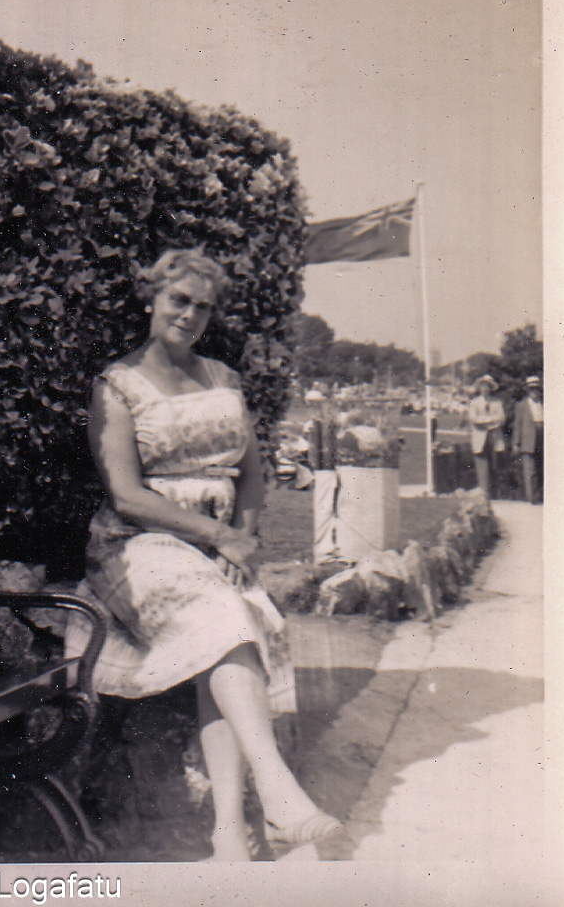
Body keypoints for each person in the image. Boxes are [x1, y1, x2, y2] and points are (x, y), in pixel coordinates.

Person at [66, 247, 340, 861]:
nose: (189, 315)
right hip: (139, 546)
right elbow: (126, 495)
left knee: (228, 633)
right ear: (152, 299)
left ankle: (229, 837)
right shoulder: (117, 386)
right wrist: (219, 537)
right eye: (179, 300)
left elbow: (252, 476)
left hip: (217, 554)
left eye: (203, 307)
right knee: (228, 622)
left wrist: (241, 543)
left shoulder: (223, 380)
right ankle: (276, 791)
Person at [467, 374, 505, 496]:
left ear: (491, 388)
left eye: (487, 386)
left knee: (495, 463)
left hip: (494, 436)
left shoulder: (497, 402)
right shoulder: (474, 402)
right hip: (480, 436)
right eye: (483, 386)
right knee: (482, 464)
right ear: (479, 388)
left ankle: (495, 493)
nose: (485, 389)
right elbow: (474, 418)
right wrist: (491, 420)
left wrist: (485, 420)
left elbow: (501, 418)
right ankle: (484, 493)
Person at [512, 375, 544, 503]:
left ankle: (540, 495)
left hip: (542, 437)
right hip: (528, 439)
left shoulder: (543, 404)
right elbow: (517, 425)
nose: (534, 392)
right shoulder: (522, 405)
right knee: (529, 470)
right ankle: (531, 497)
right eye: (531, 389)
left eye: (536, 389)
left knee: (541, 468)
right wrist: (516, 442)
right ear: (527, 390)